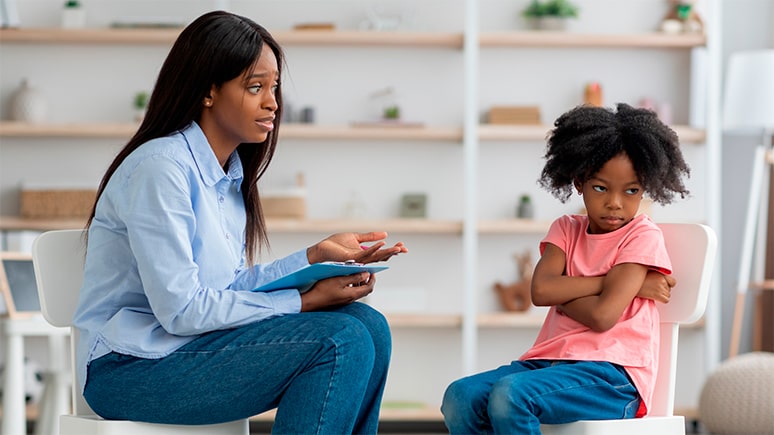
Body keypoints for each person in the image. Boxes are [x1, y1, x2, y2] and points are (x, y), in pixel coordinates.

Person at [73, 10, 407, 434]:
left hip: (188, 350)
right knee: (340, 339)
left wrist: (312, 261)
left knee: (370, 327)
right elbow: (184, 310)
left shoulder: (227, 177)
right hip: (128, 369)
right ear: (209, 91)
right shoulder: (161, 169)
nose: (273, 102)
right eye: (255, 87)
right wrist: (304, 301)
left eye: (274, 87)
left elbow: (223, 290)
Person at [441, 102, 691, 434]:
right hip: (548, 363)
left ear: (644, 188)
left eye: (631, 191)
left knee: (512, 394)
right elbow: (541, 291)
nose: (615, 202)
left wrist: (566, 288)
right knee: (461, 395)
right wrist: (615, 282)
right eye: (601, 188)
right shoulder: (567, 228)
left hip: (613, 379)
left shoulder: (642, 236)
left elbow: (602, 317)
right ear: (579, 182)